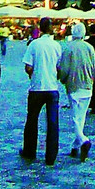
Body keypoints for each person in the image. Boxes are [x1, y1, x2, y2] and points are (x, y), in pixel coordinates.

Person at [21, 18, 63, 166]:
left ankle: (29, 151)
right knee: (52, 122)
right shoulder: (56, 46)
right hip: (52, 87)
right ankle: (51, 155)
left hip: (37, 87)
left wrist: (32, 74)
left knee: (32, 120)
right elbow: (59, 67)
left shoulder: (34, 45)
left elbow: (28, 67)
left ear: (40, 28)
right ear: (51, 28)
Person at [57, 23, 95, 161]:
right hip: (87, 86)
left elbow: (64, 69)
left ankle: (83, 140)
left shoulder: (68, 48)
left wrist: (63, 80)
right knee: (81, 117)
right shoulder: (90, 48)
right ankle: (75, 146)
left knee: (76, 117)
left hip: (74, 86)